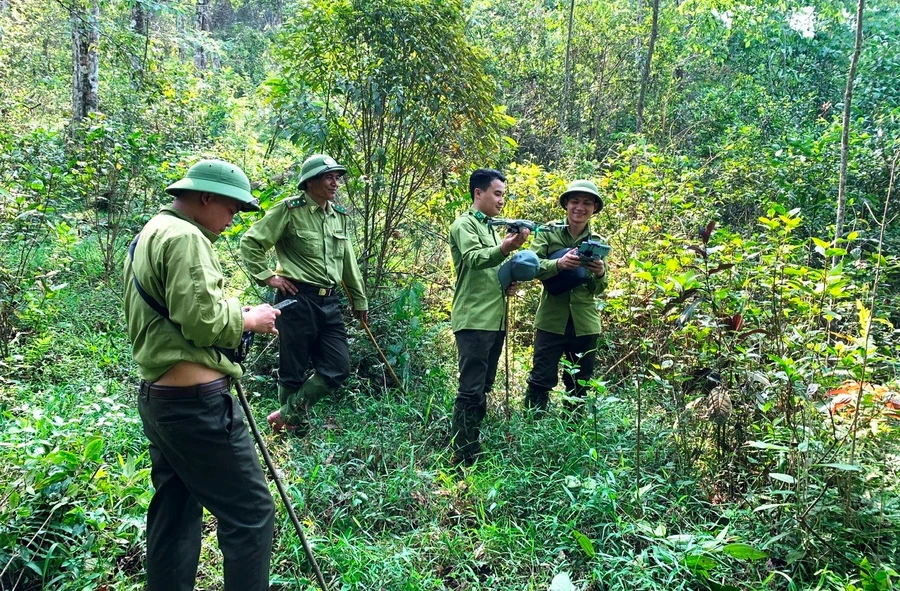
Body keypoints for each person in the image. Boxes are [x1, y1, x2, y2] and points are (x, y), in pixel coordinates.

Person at [123, 159, 279, 591]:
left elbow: (175, 314)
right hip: (197, 408)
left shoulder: (150, 233)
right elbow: (202, 322)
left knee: (175, 509)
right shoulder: (186, 237)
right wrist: (251, 320)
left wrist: (237, 314)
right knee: (251, 514)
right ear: (207, 196)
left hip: (161, 401)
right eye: (232, 208)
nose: (233, 219)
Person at [240, 153, 368, 434]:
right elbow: (251, 242)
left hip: (330, 301)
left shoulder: (339, 216)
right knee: (293, 368)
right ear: (310, 182)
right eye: (328, 177)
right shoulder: (288, 210)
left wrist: (359, 300)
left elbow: (347, 262)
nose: (335, 183)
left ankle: (285, 415)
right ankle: (293, 430)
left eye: (337, 177)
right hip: (298, 299)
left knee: (338, 366)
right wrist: (268, 277)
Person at [448, 168, 532, 466]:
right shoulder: (464, 225)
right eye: (497, 194)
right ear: (478, 193)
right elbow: (474, 258)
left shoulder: (489, 228)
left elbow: (490, 269)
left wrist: (506, 280)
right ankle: (462, 454)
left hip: (494, 320)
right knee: (471, 389)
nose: (501, 201)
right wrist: (506, 247)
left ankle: (471, 442)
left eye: (503, 196)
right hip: (473, 320)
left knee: (483, 386)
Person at [524, 179, 609, 412]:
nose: (579, 207)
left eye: (587, 203)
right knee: (540, 379)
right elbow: (530, 265)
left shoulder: (599, 243)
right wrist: (559, 264)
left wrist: (600, 273)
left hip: (585, 323)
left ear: (594, 209)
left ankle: (574, 432)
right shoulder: (549, 232)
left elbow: (600, 288)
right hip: (552, 319)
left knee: (579, 384)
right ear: (566, 204)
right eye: (574, 201)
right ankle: (534, 428)